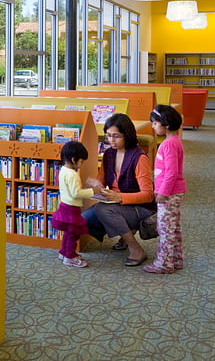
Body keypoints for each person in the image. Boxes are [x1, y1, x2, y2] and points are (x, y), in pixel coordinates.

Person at [84, 112, 155, 267]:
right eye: (108, 135)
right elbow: (101, 181)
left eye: (116, 136)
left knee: (103, 210)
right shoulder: (108, 154)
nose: (111, 140)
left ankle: (135, 249)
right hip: (116, 203)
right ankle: (126, 230)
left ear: (127, 135)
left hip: (141, 206)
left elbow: (148, 195)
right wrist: (96, 185)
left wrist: (119, 197)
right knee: (84, 220)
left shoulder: (139, 158)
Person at [143, 104, 186, 274]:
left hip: (169, 193)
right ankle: (176, 259)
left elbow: (172, 172)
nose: (153, 126)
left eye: (155, 123)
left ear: (165, 124)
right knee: (173, 226)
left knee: (165, 229)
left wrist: (163, 192)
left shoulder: (168, 144)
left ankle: (164, 264)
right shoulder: (175, 141)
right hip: (174, 191)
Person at [50, 140, 94, 268]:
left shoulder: (63, 170)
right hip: (72, 208)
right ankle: (70, 256)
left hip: (64, 205)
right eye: (81, 161)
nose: (81, 164)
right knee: (73, 233)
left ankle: (64, 252)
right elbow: (76, 193)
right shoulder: (73, 175)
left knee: (67, 232)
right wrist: (92, 191)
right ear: (74, 159)